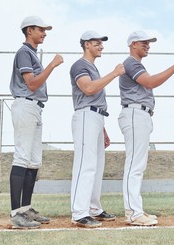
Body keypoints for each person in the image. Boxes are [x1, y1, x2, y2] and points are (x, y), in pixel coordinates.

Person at [119, 30, 174, 226]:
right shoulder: (130, 62)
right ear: (132, 44)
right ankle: (133, 213)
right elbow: (150, 82)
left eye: (149, 43)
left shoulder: (137, 64)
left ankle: (136, 210)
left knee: (138, 165)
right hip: (134, 113)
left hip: (140, 114)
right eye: (143, 42)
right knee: (134, 165)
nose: (147, 45)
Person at [8, 16, 64, 229]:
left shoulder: (31, 54)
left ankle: (26, 209)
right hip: (26, 104)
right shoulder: (24, 52)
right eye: (41, 29)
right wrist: (52, 65)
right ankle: (15, 214)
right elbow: (31, 83)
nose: (44, 33)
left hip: (35, 108)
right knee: (22, 157)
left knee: (33, 161)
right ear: (29, 30)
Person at [69, 31, 125, 228]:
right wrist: (114, 73)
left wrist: (103, 129)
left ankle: (93, 208)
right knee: (85, 164)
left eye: (101, 43)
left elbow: (96, 96)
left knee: (97, 166)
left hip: (96, 117)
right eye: (97, 43)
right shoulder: (80, 65)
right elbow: (88, 89)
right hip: (85, 115)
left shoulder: (92, 67)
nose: (101, 46)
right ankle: (79, 212)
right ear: (86, 45)